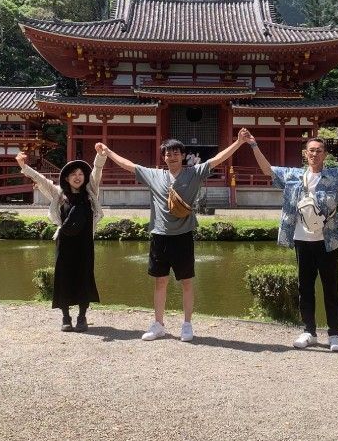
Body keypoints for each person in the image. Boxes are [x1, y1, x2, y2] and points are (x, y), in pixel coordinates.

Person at [246, 133, 338, 352]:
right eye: (311, 150)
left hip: (327, 240)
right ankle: (309, 331)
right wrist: (253, 144)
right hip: (301, 239)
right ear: (305, 154)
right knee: (305, 287)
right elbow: (267, 169)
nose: (315, 154)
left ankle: (334, 334)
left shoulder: (335, 176)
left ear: (325, 154)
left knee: (331, 288)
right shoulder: (293, 175)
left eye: (319, 150)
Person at [98, 129, 250, 342]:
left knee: (186, 282)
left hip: (183, 235)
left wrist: (238, 142)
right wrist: (108, 151)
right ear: (164, 157)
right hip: (159, 235)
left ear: (183, 155)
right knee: (160, 281)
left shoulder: (194, 173)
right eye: (168, 154)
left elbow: (217, 159)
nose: (172, 156)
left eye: (176, 153)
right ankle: (158, 324)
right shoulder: (155, 175)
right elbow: (128, 165)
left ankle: (187, 324)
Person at [16, 145, 107, 332]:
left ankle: (82, 317)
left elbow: (97, 171)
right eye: (73, 174)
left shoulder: (91, 192)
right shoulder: (58, 194)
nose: (77, 177)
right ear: (66, 177)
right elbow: (40, 179)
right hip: (65, 242)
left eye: (81, 174)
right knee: (63, 277)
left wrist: (99, 156)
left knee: (84, 277)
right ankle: (66, 317)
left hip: (85, 243)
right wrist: (24, 166)